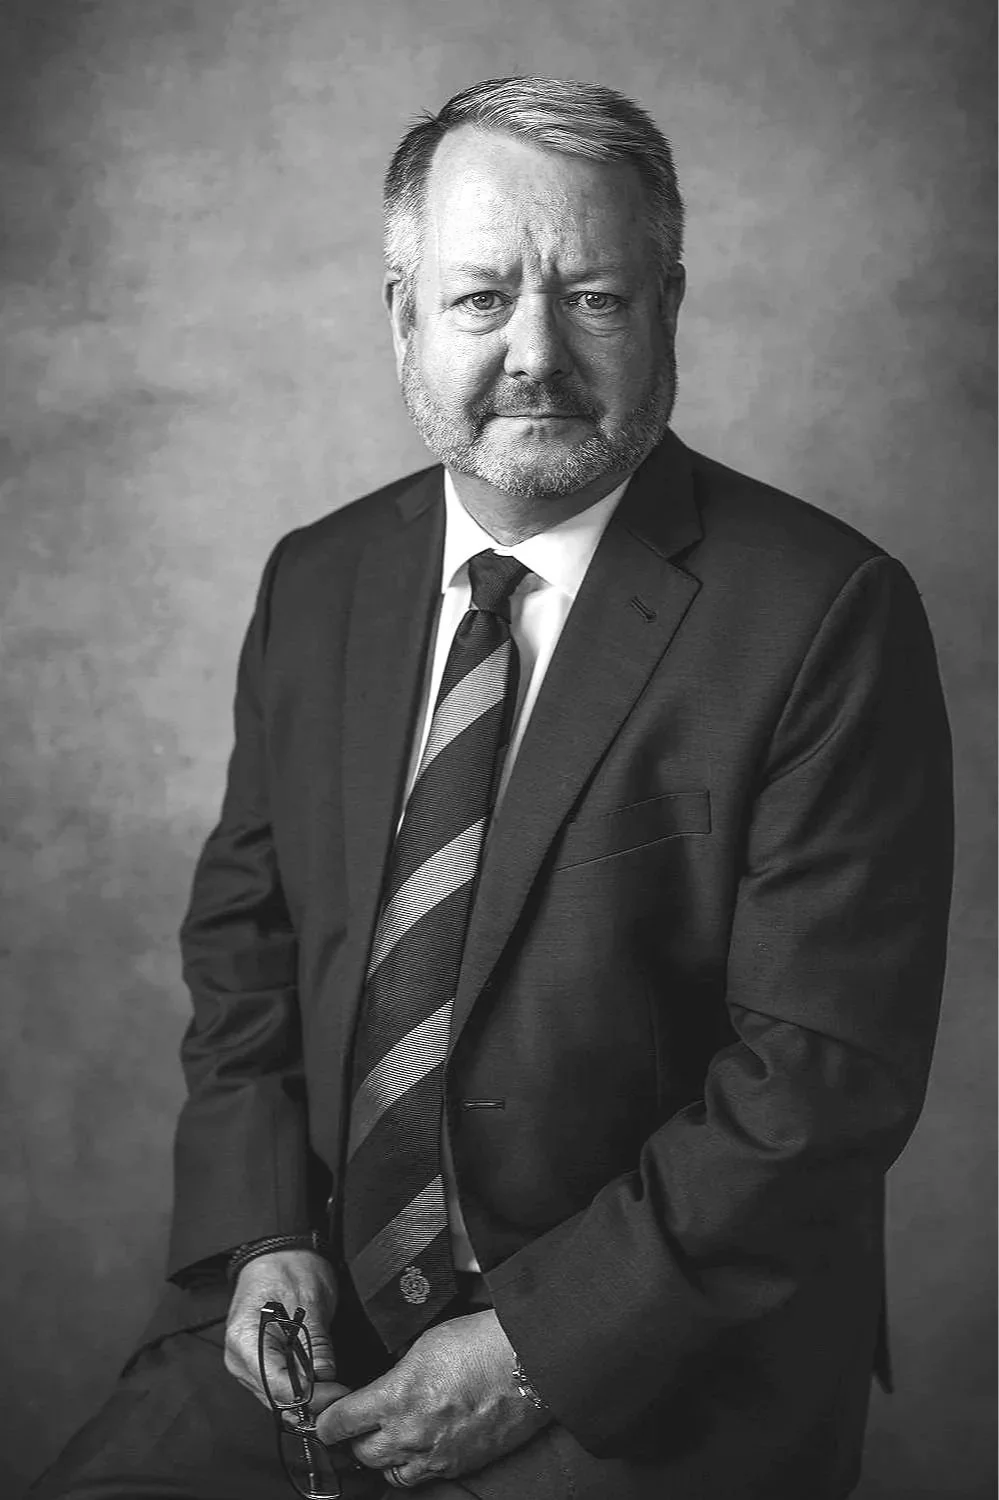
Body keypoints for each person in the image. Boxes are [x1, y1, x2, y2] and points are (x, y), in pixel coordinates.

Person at [30, 75, 953, 1500]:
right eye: (479, 299)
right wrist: (262, 1233)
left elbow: (821, 1080)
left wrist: (528, 1352)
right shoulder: (316, 581)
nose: (535, 353)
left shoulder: (824, 612)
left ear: (668, 304)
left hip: (646, 1355)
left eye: (592, 297)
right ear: (402, 314)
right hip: (317, 1301)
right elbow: (248, 944)